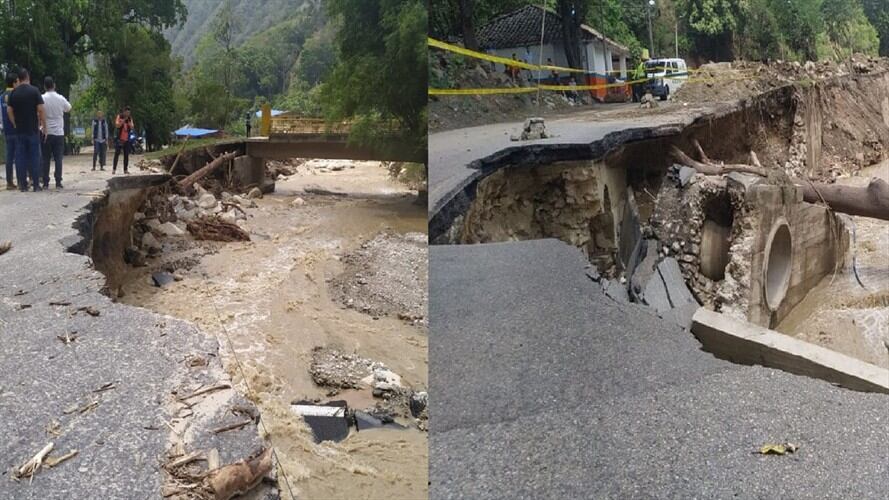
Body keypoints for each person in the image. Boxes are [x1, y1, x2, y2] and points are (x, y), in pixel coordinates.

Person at [6, 68, 45, 192]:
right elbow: (41, 109)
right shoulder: (34, 91)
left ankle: (22, 185)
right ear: (28, 77)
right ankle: (36, 185)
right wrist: (43, 125)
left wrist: (14, 123)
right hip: (32, 129)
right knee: (34, 157)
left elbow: (9, 110)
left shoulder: (13, 93)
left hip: (19, 131)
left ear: (19, 78)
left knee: (20, 157)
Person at [41, 76, 71, 189]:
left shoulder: (42, 98)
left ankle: (45, 182)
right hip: (58, 132)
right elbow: (68, 108)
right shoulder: (60, 98)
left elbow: (38, 111)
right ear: (54, 85)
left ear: (44, 86)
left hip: (46, 132)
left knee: (46, 158)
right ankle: (58, 181)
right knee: (58, 158)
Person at [1, 72, 18, 190]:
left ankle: (9, 182)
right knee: (19, 156)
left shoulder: (1, 96)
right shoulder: (16, 95)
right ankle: (22, 180)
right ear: (14, 83)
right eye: (17, 81)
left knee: (9, 156)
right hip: (17, 129)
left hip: (6, 130)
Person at [113, 106, 134, 174]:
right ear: (124, 112)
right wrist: (123, 121)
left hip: (127, 139)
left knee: (126, 155)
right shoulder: (119, 116)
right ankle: (114, 169)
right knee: (117, 154)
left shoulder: (130, 118)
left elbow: (132, 127)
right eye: (127, 112)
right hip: (120, 139)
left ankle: (125, 169)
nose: (128, 114)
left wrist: (129, 123)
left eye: (129, 113)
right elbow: (117, 125)